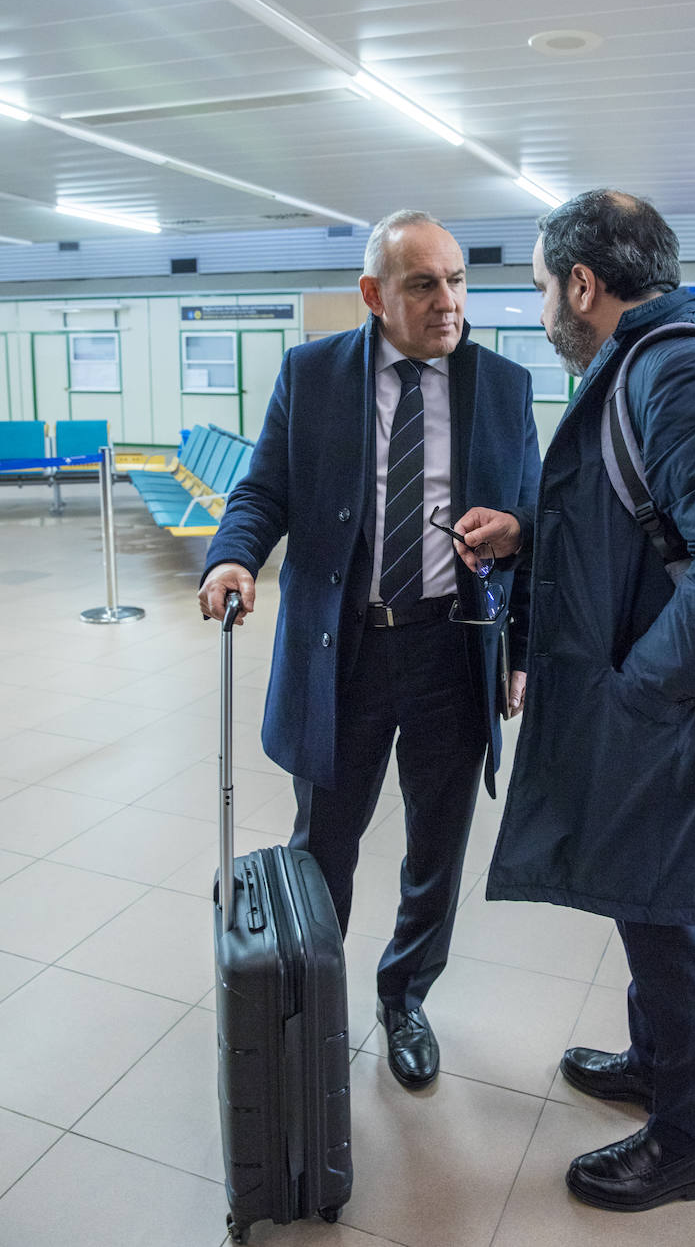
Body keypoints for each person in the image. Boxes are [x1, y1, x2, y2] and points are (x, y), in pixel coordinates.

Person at [477, 189, 695, 1212]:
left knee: (669, 927)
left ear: (583, 284)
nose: (542, 309)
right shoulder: (652, 360)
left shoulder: (666, 370)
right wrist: (536, 538)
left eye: (541, 287)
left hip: (680, 720)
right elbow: (649, 527)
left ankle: (684, 1144)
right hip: (670, 717)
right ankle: (649, 1062)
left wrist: (645, 686)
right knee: (643, 900)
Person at [198, 210, 540, 1089]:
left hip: (449, 651)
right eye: (424, 284)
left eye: (458, 280)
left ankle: (406, 996)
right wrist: (234, 555)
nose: (449, 302)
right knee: (326, 841)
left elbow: (531, 525)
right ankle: (310, 993)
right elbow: (263, 489)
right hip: (342, 649)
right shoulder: (312, 375)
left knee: (438, 841)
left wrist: (521, 647)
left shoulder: (499, 386)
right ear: (373, 294)